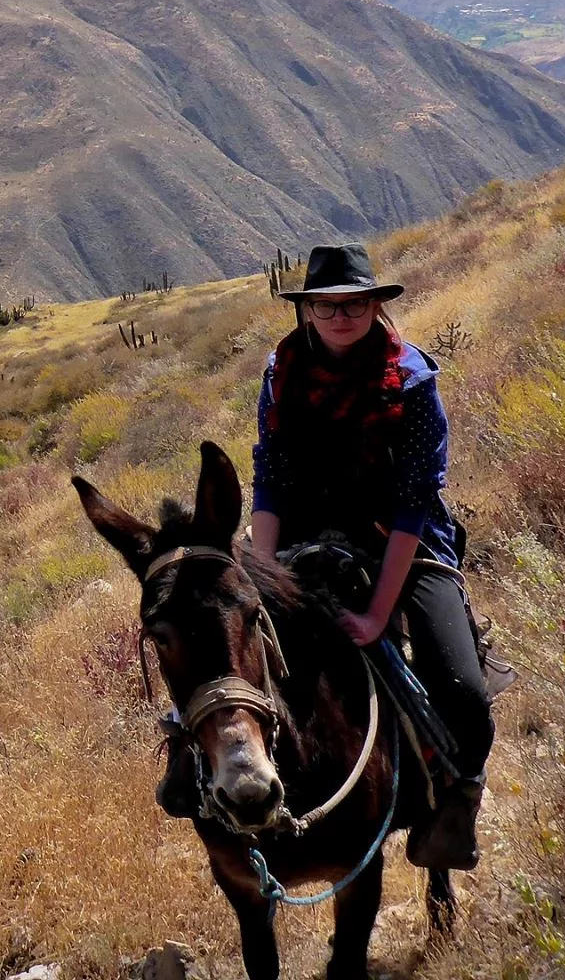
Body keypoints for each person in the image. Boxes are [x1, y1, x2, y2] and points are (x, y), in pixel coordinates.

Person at [153, 244, 493, 871]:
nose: (342, 315)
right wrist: (260, 569)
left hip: (401, 543)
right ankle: (194, 765)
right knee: (226, 646)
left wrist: (374, 616)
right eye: (327, 305)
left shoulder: (412, 380)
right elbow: (272, 479)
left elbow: (415, 502)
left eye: (355, 303)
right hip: (302, 537)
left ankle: (452, 807)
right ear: (306, 310)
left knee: (463, 692)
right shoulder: (282, 375)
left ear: (375, 305)